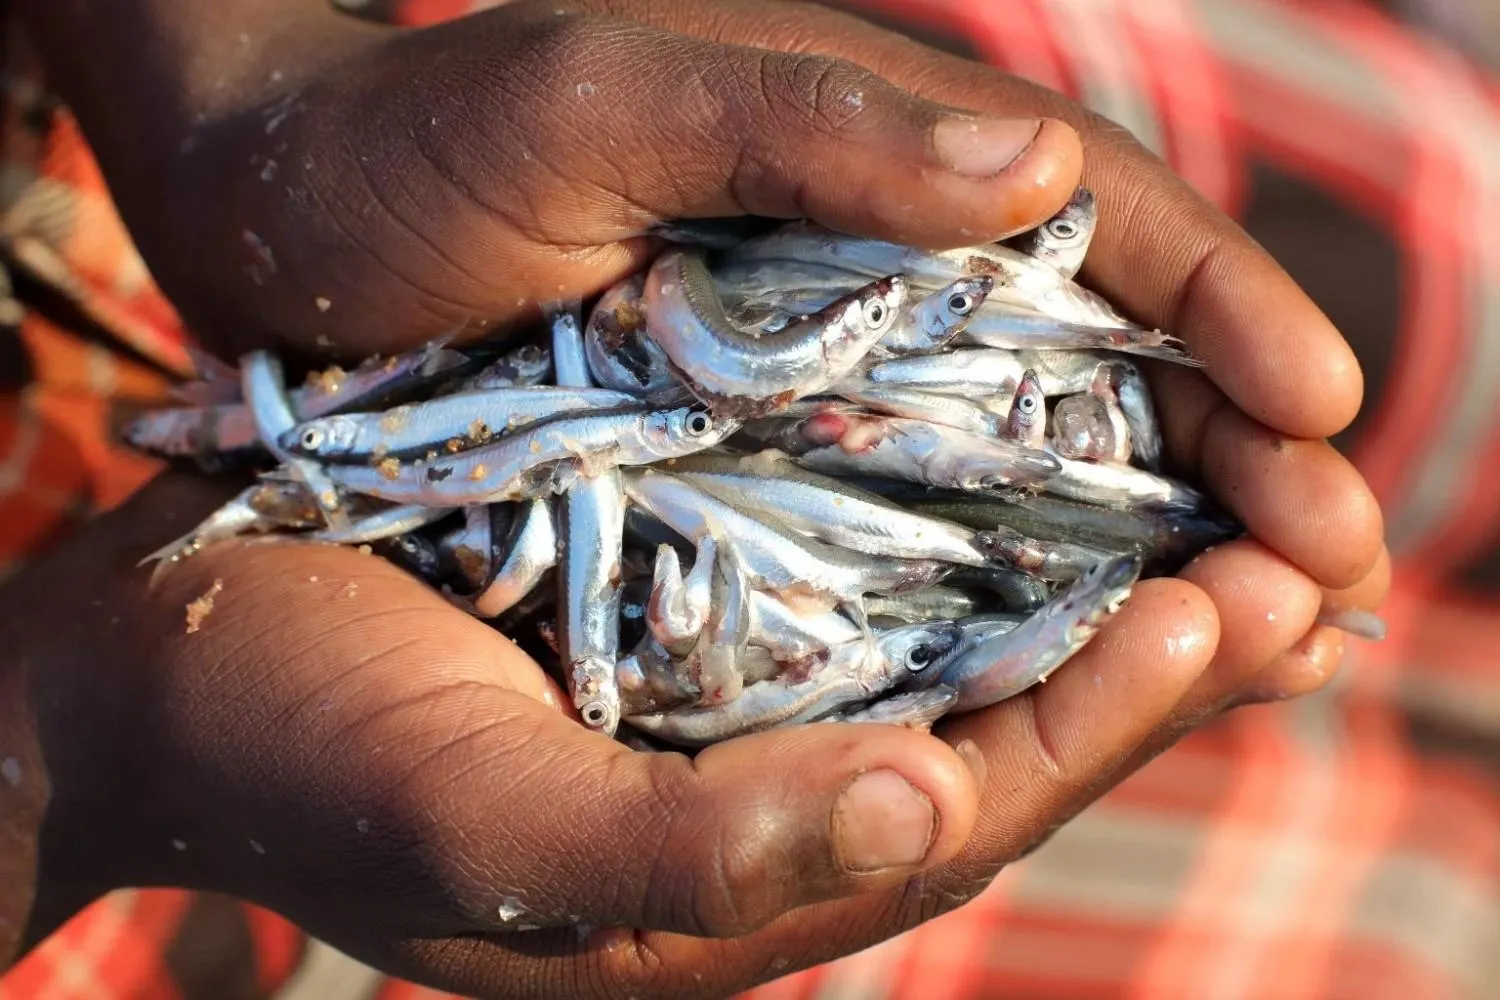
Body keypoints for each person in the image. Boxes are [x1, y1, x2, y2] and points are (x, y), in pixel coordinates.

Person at [0, 0, 1406, 998]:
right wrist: (81, 746)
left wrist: (220, 71)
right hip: (218, 870)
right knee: (1397, 920)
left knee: (1421, 238)